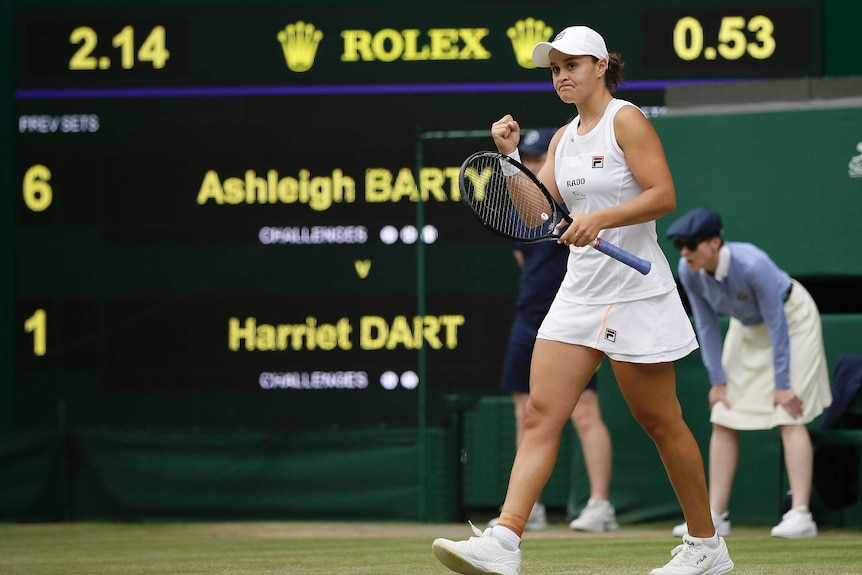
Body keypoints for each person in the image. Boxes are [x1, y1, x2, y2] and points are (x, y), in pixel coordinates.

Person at [432, 25, 734, 575]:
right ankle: (505, 540)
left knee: (662, 422)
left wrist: (600, 218)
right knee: (542, 413)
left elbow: (662, 194)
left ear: (600, 66)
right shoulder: (563, 139)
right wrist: (509, 162)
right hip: (581, 291)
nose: (561, 76)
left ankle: (707, 546)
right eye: (554, 69)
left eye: (571, 65)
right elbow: (538, 214)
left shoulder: (627, 119)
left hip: (637, 292)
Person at [665, 206, 832, 539]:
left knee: (789, 411)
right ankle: (714, 516)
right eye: (680, 246)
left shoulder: (752, 263)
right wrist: (718, 381)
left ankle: (801, 514)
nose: (685, 253)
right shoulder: (688, 269)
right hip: (747, 328)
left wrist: (782, 384)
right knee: (724, 414)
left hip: (793, 320)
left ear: (715, 243)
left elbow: (777, 322)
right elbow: (706, 324)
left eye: (691, 245)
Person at [486, 127, 618, 534]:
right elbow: (525, 266)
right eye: (528, 159)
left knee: (584, 413)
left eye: (541, 158)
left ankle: (600, 506)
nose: (534, 165)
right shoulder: (520, 215)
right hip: (528, 319)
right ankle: (532, 508)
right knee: (527, 413)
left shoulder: (572, 203)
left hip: (573, 318)